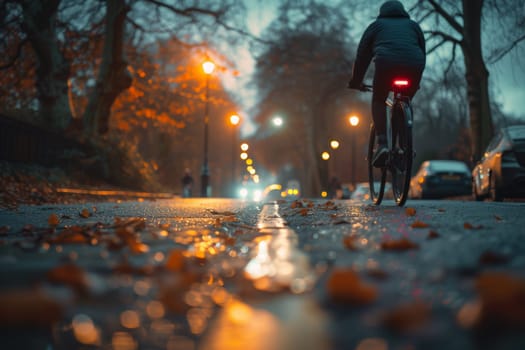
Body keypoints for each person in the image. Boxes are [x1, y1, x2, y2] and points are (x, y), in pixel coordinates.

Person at [347, 0, 426, 167]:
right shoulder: (413, 26)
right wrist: (416, 81)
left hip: (386, 65)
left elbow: (362, 55)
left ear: (382, 13)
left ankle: (382, 144)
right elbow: (422, 51)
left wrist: (356, 81)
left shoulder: (376, 26)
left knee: (379, 99)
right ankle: (405, 145)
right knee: (405, 100)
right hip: (414, 66)